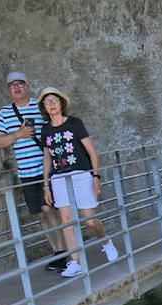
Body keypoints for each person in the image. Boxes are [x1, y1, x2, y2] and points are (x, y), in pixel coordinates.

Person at [37, 87, 119, 278]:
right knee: (66, 221)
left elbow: (92, 151)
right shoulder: (46, 129)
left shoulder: (74, 123)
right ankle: (74, 262)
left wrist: (96, 176)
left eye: (54, 100)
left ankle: (105, 242)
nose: (51, 104)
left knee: (89, 221)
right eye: (47, 102)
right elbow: (47, 158)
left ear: (61, 103)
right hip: (59, 178)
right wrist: (46, 185)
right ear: (44, 107)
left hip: (81, 174)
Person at [0, 71, 67, 271]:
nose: (17, 87)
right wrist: (18, 134)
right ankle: (58, 252)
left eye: (20, 84)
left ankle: (66, 252)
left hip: (48, 169)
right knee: (42, 214)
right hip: (26, 172)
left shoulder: (40, 106)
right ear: (8, 90)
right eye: (12, 85)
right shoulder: (5, 114)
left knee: (50, 209)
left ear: (27, 86)